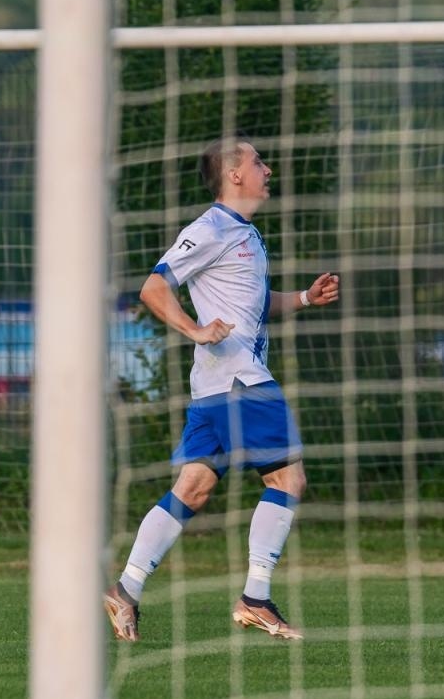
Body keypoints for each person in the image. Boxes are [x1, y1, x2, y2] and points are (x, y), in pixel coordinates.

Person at [104, 138, 339, 643]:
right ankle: (255, 596)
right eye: (257, 162)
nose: (267, 169)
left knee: (194, 487)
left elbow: (251, 302)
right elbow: (153, 287)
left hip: (214, 387)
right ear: (234, 174)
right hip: (241, 381)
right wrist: (193, 329)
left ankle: (125, 589)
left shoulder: (245, 234)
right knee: (287, 481)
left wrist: (302, 297)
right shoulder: (209, 228)